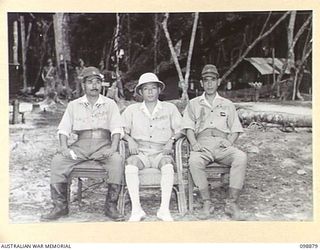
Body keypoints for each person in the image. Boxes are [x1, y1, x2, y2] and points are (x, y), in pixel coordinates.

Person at [41, 66, 125, 222]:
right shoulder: (74, 105)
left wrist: (113, 148)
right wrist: (64, 147)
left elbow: (116, 129)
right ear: (83, 85)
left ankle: (111, 206)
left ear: (102, 85)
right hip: (81, 144)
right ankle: (60, 206)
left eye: (98, 82)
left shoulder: (110, 104)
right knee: (58, 161)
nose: (94, 85)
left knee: (117, 160)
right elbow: (63, 129)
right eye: (90, 82)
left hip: (104, 143)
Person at [182, 64, 247, 220]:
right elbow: (188, 127)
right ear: (201, 83)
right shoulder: (193, 103)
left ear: (218, 82)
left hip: (222, 143)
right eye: (206, 80)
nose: (209, 83)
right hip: (202, 143)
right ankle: (207, 202)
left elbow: (236, 129)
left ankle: (232, 204)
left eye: (213, 80)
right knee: (194, 161)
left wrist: (230, 142)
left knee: (241, 157)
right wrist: (194, 143)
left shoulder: (227, 104)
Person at [122, 73, 183, 222]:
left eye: (153, 88)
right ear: (141, 92)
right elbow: (120, 129)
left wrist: (172, 140)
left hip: (162, 151)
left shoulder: (170, 108)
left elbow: (182, 129)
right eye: (146, 89)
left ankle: (164, 209)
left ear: (159, 90)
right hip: (140, 152)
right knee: (131, 165)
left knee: (167, 165)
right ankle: (137, 210)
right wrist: (129, 139)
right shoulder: (132, 110)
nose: (150, 92)